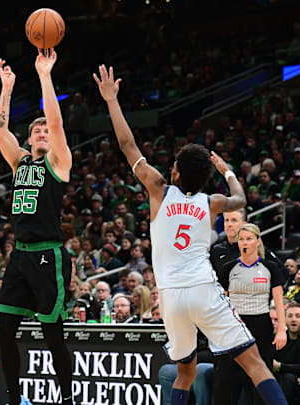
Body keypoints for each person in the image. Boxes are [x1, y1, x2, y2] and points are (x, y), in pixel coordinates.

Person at [94, 64, 287, 405]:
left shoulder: (158, 190)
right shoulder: (211, 202)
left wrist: (111, 100)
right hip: (202, 290)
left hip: (169, 296)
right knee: (256, 364)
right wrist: (227, 171)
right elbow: (241, 199)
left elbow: (127, 144)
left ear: (177, 170)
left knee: (184, 371)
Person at [0, 51, 74, 405]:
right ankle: (14, 396)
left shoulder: (59, 161)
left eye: (46, 130)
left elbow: (56, 126)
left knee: (52, 335)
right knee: (4, 332)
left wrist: (44, 75)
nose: (43, 132)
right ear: (28, 140)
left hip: (48, 256)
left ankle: (67, 398)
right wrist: (7, 88)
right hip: (20, 257)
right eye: (36, 130)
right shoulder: (19, 162)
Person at [223, 223, 288, 404]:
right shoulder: (228, 268)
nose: (245, 243)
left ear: (258, 241)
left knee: (260, 377)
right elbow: (223, 303)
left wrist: (282, 329)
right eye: (241, 239)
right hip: (234, 326)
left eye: (249, 239)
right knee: (229, 379)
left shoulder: (270, 268)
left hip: (261, 325)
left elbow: (279, 302)